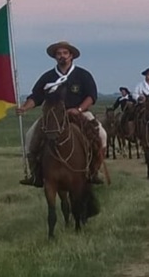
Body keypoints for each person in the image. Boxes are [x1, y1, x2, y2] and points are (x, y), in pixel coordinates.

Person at [16, 40, 107, 187]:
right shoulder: (47, 77)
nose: (62, 56)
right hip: (52, 116)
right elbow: (36, 96)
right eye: (58, 54)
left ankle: (94, 171)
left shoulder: (83, 75)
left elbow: (91, 96)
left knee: (102, 135)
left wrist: (79, 110)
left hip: (78, 113)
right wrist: (25, 107)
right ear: (54, 57)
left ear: (71, 56)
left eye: (65, 53)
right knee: (30, 137)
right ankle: (35, 174)